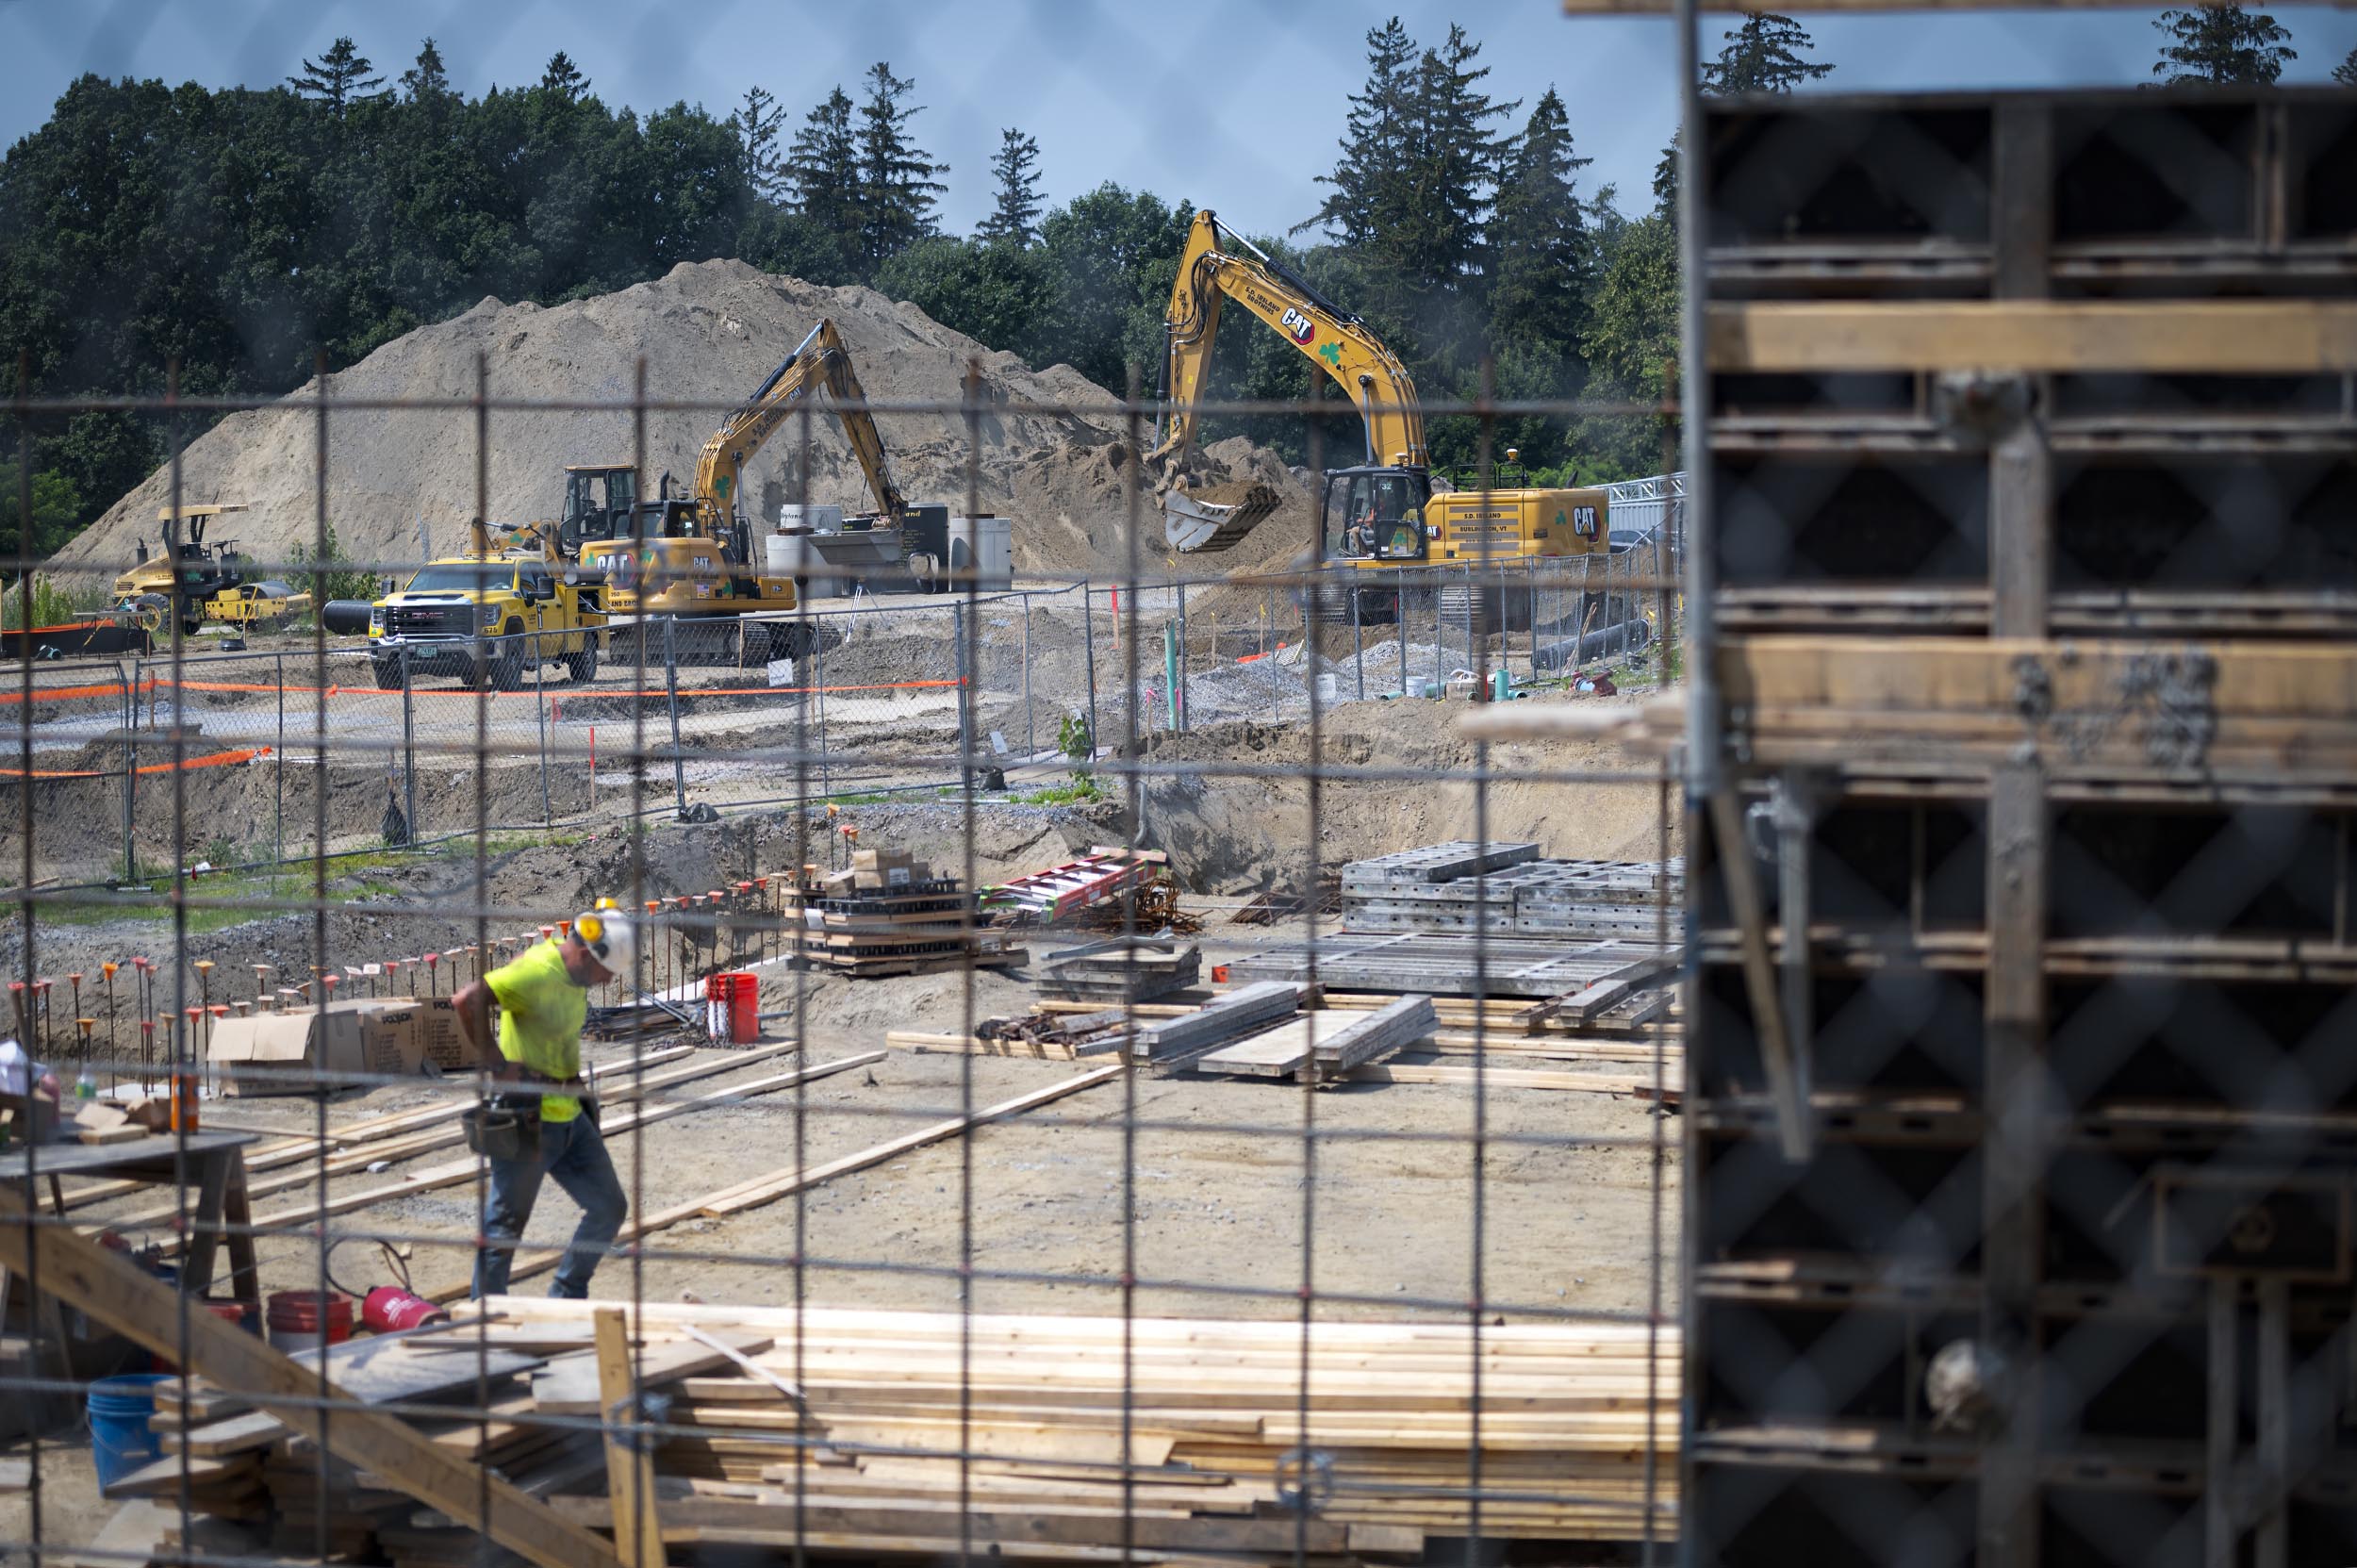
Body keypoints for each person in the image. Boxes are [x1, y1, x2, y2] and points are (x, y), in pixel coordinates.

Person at [453, 908, 635, 1299]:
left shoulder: (569, 975)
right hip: (528, 1121)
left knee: (609, 1207)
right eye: (607, 972)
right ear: (588, 954)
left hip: (569, 1116)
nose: (607, 981)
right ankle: (484, 1318)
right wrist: (496, 1064)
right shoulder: (537, 972)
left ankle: (567, 1295)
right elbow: (467, 1000)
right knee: (504, 1228)